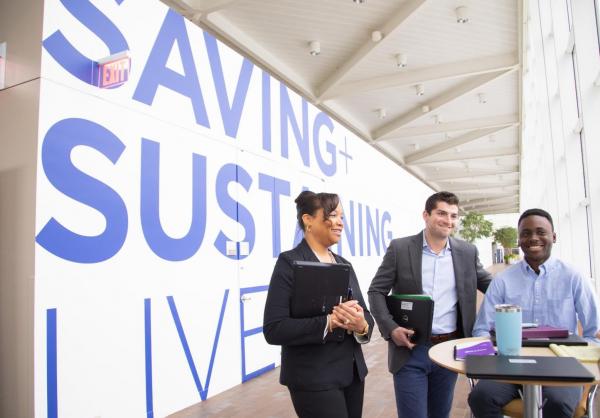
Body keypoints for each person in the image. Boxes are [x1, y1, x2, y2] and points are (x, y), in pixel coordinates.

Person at [368, 191, 491, 418]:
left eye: (453, 216)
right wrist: (391, 328)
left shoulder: (467, 252)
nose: (448, 221)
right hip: (410, 349)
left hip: (449, 349)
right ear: (426, 215)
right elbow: (376, 291)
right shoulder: (400, 248)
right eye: (442, 213)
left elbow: (492, 287)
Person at [468, 208, 600, 418]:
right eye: (526, 233)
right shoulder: (503, 280)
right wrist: (492, 357)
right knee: (481, 397)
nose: (533, 238)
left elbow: (594, 332)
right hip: (509, 366)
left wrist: (581, 363)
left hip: (561, 366)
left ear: (553, 237)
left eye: (541, 232)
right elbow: (482, 328)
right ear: (519, 240)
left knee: (558, 403)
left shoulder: (574, 277)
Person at [263, 190, 374, 418]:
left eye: (342, 217)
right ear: (308, 220)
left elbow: (366, 317)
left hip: (352, 374)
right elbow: (274, 329)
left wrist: (361, 325)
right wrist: (330, 322)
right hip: (313, 378)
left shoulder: (345, 264)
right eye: (332, 215)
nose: (340, 223)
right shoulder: (290, 263)